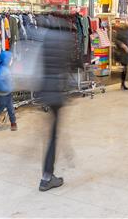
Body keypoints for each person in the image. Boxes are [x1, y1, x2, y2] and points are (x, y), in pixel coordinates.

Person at [38, 15, 74, 192]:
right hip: (57, 92)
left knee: (50, 133)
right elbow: (70, 65)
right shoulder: (65, 39)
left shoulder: (41, 38)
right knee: (53, 135)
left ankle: (47, 175)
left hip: (44, 90)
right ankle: (46, 177)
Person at [0, 51, 17, 131]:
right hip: (3, 94)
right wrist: (10, 87)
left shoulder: (0, 67)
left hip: (3, 93)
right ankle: (12, 123)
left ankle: (12, 122)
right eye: (10, 59)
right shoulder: (4, 70)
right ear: (6, 60)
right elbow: (1, 81)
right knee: (4, 108)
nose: (11, 61)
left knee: (5, 108)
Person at [114, 23, 128, 90]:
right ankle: (123, 84)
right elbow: (116, 41)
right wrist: (122, 45)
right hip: (123, 53)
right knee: (125, 68)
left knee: (127, 68)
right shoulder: (121, 31)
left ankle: (124, 83)